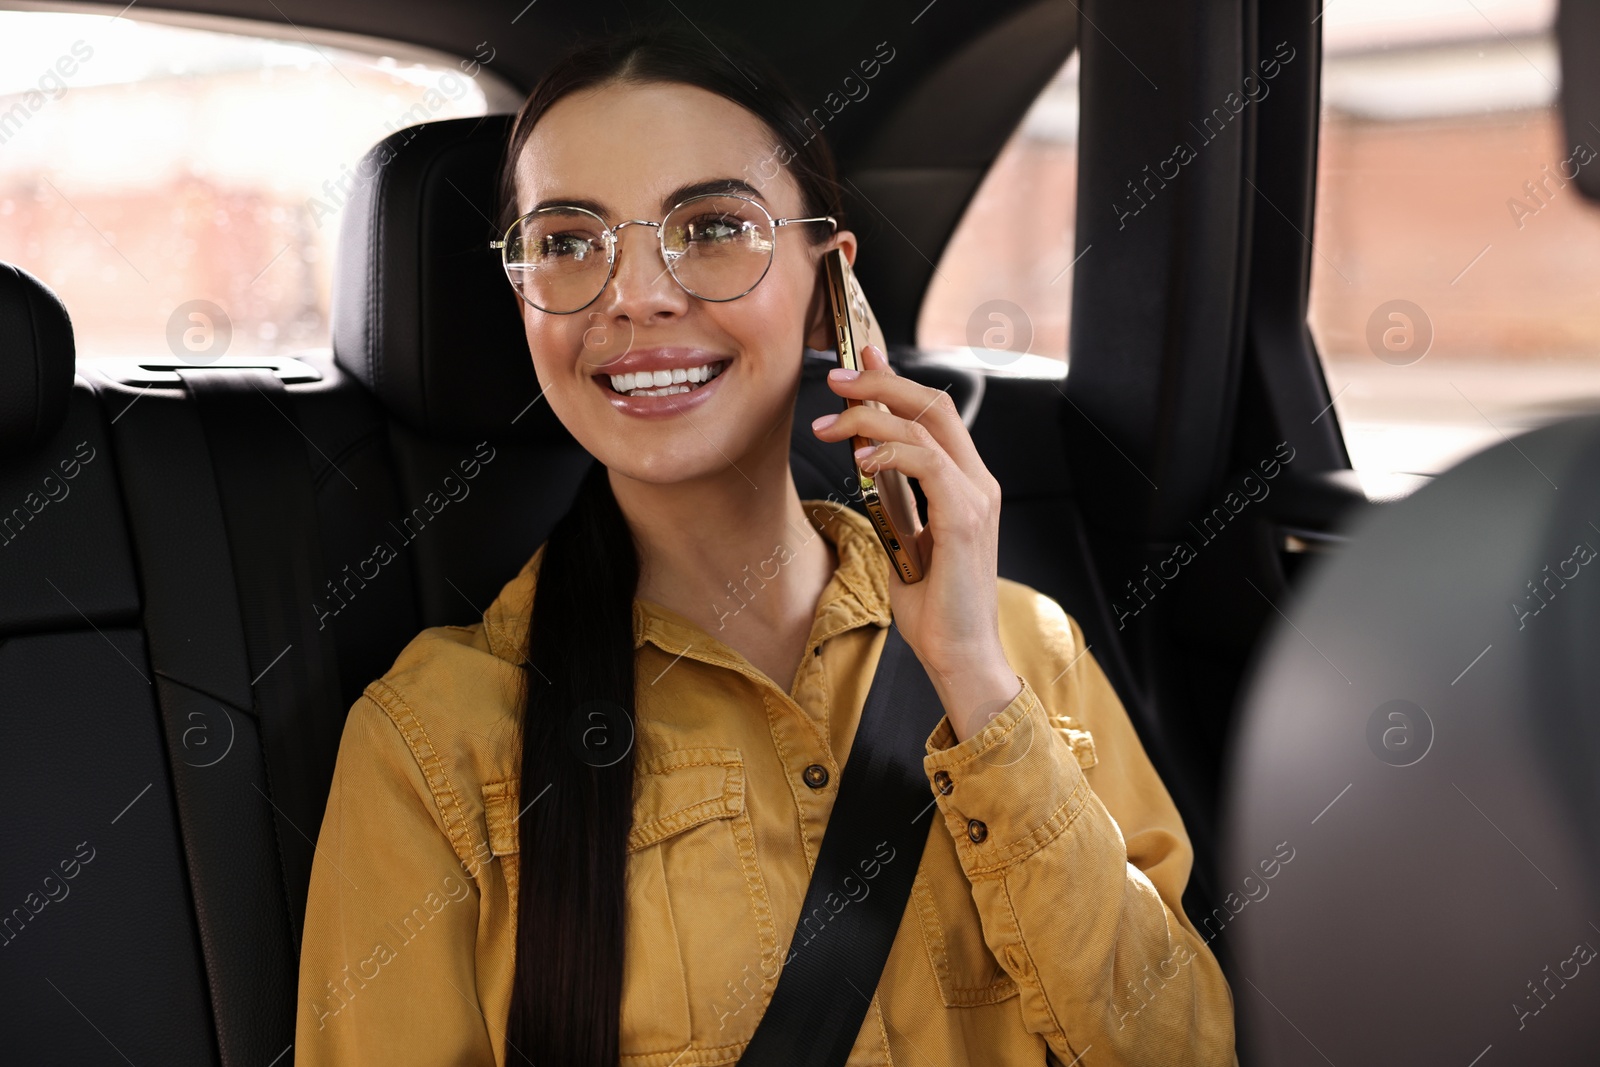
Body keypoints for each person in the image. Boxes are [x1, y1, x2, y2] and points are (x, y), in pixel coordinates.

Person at [294, 23, 1236, 1067]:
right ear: (521, 293)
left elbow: (1183, 1048)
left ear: (833, 283)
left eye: (709, 228)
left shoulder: (1025, 647)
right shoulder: (431, 739)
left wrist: (973, 681)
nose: (637, 293)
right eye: (566, 242)